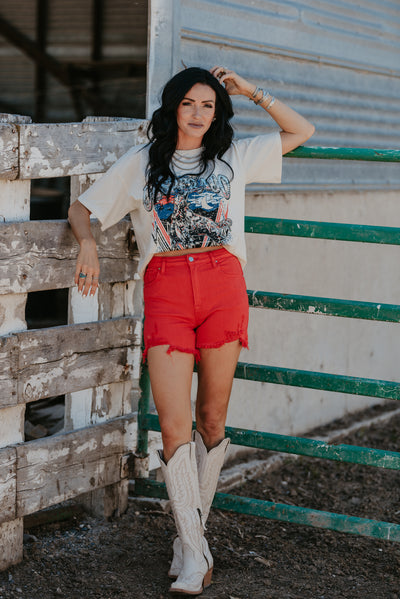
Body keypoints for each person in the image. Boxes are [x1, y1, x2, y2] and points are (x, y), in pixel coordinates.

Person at [68, 65, 315, 596]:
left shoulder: (233, 156)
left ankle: (189, 543)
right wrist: (88, 240)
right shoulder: (143, 163)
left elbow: (301, 132)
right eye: (189, 104)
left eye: (208, 105)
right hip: (167, 289)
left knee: (211, 416)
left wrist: (250, 91)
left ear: (217, 111)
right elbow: (82, 208)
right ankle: (195, 549)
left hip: (223, 282)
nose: (199, 113)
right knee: (174, 423)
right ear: (173, 107)